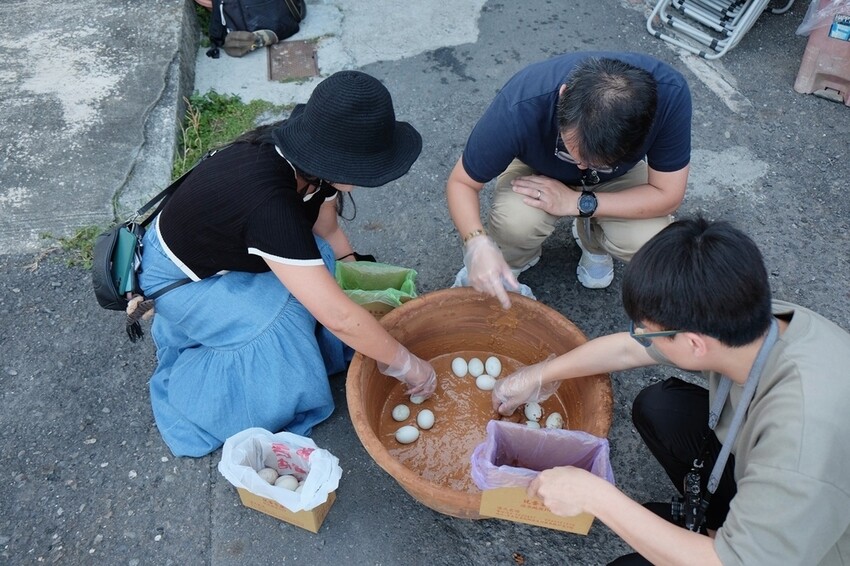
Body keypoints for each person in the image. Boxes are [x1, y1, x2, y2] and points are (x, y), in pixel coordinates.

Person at [492, 217, 850, 564]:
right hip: (769, 465)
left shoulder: (801, 438)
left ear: (695, 344)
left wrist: (594, 495)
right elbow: (627, 350)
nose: (640, 336)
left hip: (816, 547)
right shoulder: (747, 319)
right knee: (661, 408)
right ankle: (717, 521)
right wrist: (538, 375)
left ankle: (729, 535)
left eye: (648, 330)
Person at [138, 71, 436, 457]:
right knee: (274, 326)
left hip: (226, 255)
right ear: (338, 160)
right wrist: (406, 363)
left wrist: (352, 275)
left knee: (321, 263)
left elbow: (326, 232)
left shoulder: (310, 165)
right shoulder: (269, 203)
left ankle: (307, 351)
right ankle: (211, 396)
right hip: (180, 279)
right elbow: (338, 317)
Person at [447, 52, 691, 308]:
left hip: (620, 178)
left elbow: (667, 194)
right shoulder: (522, 104)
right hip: (538, 169)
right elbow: (462, 183)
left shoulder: (670, 95)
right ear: (563, 96)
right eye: (571, 151)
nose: (582, 167)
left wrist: (578, 202)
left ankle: (592, 241)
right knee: (516, 222)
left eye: (598, 162)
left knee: (650, 241)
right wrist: (476, 243)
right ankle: (511, 260)